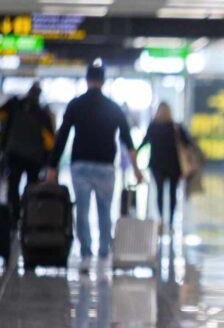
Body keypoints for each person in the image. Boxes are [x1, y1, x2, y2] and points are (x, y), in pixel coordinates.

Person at [45, 61, 143, 273]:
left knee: (82, 209)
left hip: (80, 165)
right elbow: (127, 141)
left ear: (87, 80)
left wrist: (52, 165)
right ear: (103, 81)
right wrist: (136, 169)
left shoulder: (76, 104)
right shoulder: (113, 107)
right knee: (104, 210)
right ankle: (104, 251)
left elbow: (62, 136)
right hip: (106, 167)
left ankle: (86, 253)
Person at [0, 82, 55, 230]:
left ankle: (14, 217)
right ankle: (29, 215)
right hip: (34, 158)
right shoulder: (42, 113)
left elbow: (1, 115)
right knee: (32, 187)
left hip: (14, 154)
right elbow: (50, 141)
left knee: (13, 185)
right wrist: (49, 161)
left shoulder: (15, 105)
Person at [138, 102, 190, 232]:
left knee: (160, 193)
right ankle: (171, 222)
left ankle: (161, 219)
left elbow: (144, 142)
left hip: (157, 166)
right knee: (172, 194)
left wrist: (134, 153)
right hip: (174, 166)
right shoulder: (175, 127)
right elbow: (187, 143)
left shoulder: (153, 126)